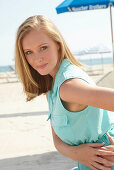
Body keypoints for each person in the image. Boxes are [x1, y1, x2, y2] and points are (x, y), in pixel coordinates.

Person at [15, 15, 114, 170]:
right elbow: (56, 139)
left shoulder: (68, 87)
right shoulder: (51, 86)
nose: (38, 58)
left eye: (43, 47)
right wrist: (75, 153)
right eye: (29, 52)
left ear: (58, 44)